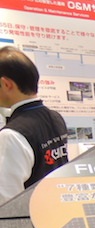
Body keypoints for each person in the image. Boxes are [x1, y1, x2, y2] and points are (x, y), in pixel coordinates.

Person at [0, 46, 68, 205]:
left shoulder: (11, 135)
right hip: (55, 209)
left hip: (30, 215)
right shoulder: (56, 117)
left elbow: (7, 201)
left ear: (6, 84)